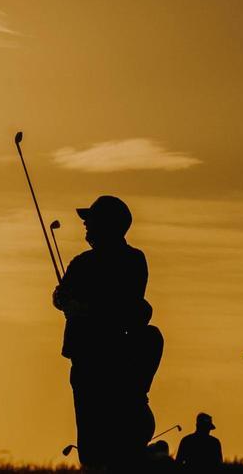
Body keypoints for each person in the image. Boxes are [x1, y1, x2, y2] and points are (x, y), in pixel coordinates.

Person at [52, 195, 161, 469]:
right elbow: (60, 297)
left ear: (108, 225)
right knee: (90, 439)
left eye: (91, 221)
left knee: (113, 437)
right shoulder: (82, 262)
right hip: (84, 358)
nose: (86, 226)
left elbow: (124, 305)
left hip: (112, 356)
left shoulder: (132, 260)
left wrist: (82, 307)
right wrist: (64, 300)